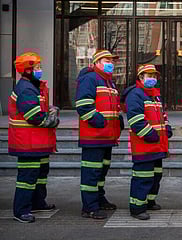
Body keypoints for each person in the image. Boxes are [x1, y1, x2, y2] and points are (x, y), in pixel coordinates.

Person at [9, 52, 59, 223]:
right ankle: (21, 210)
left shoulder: (33, 86)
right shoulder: (26, 88)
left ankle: (37, 202)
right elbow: (33, 116)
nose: (40, 70)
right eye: (37, 67)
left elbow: (38, 109)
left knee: (40, 173)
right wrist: (52, 120)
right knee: (27, 177)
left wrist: (49, 109)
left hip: (37, 142)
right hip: (27, 143)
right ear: (28, 70)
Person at [75, 49, 124, 219]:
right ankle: (89, 207)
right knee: (92, 172)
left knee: (102, 170)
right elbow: (83, 105)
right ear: (96, 63)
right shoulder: (90, 79)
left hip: (107, 136)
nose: (110, 63)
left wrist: (118, 119)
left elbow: (112, 107)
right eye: (106, 60)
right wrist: (100, 122)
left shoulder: (109, 82)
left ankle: (99, 198)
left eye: (112, 60)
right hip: (94, 136)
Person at [122, 64, 172, 220]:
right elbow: (136, 120)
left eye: (154, 76)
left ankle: (149, 201)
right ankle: (137, 208)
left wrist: (167, 128)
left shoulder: (155, 95)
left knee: (156, 175)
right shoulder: (135, 94)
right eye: (149, 76)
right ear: (141, 78)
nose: (153, 79)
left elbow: (162, 116)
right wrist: (152, 135)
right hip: (145, 145)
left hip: (157, 144)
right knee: (143, 177)